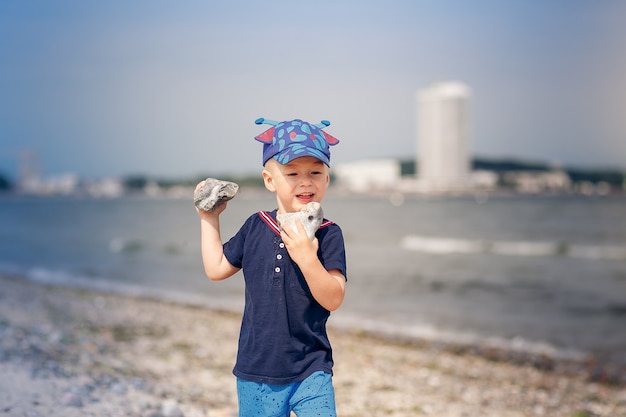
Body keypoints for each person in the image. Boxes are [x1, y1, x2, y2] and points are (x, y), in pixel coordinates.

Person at [195, 118, 347, 417]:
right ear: (269, 179)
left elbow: (333, 298)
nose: (306, 181)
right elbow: (216, 269)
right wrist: (208, 218)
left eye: (315, 172)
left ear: (327, 179)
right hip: (257, 369)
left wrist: (306, 257)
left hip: (311, 368)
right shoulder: (256, 226)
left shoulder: (329, 233)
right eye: (292, 173)